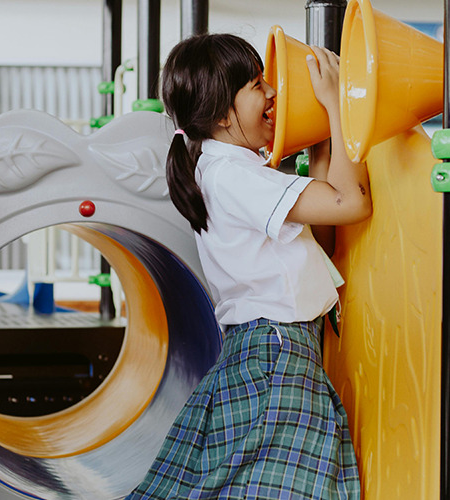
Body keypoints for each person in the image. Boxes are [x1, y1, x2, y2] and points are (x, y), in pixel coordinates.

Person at [127, 32, 372, 499]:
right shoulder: (234, 175)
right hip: (276, 355)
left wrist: (321, 138)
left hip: (265, 349)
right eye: (258, 84)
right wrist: (339, 107)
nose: (273, 92)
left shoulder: (222, 169)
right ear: (222, 114)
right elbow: (350, 202)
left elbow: (322, 229)